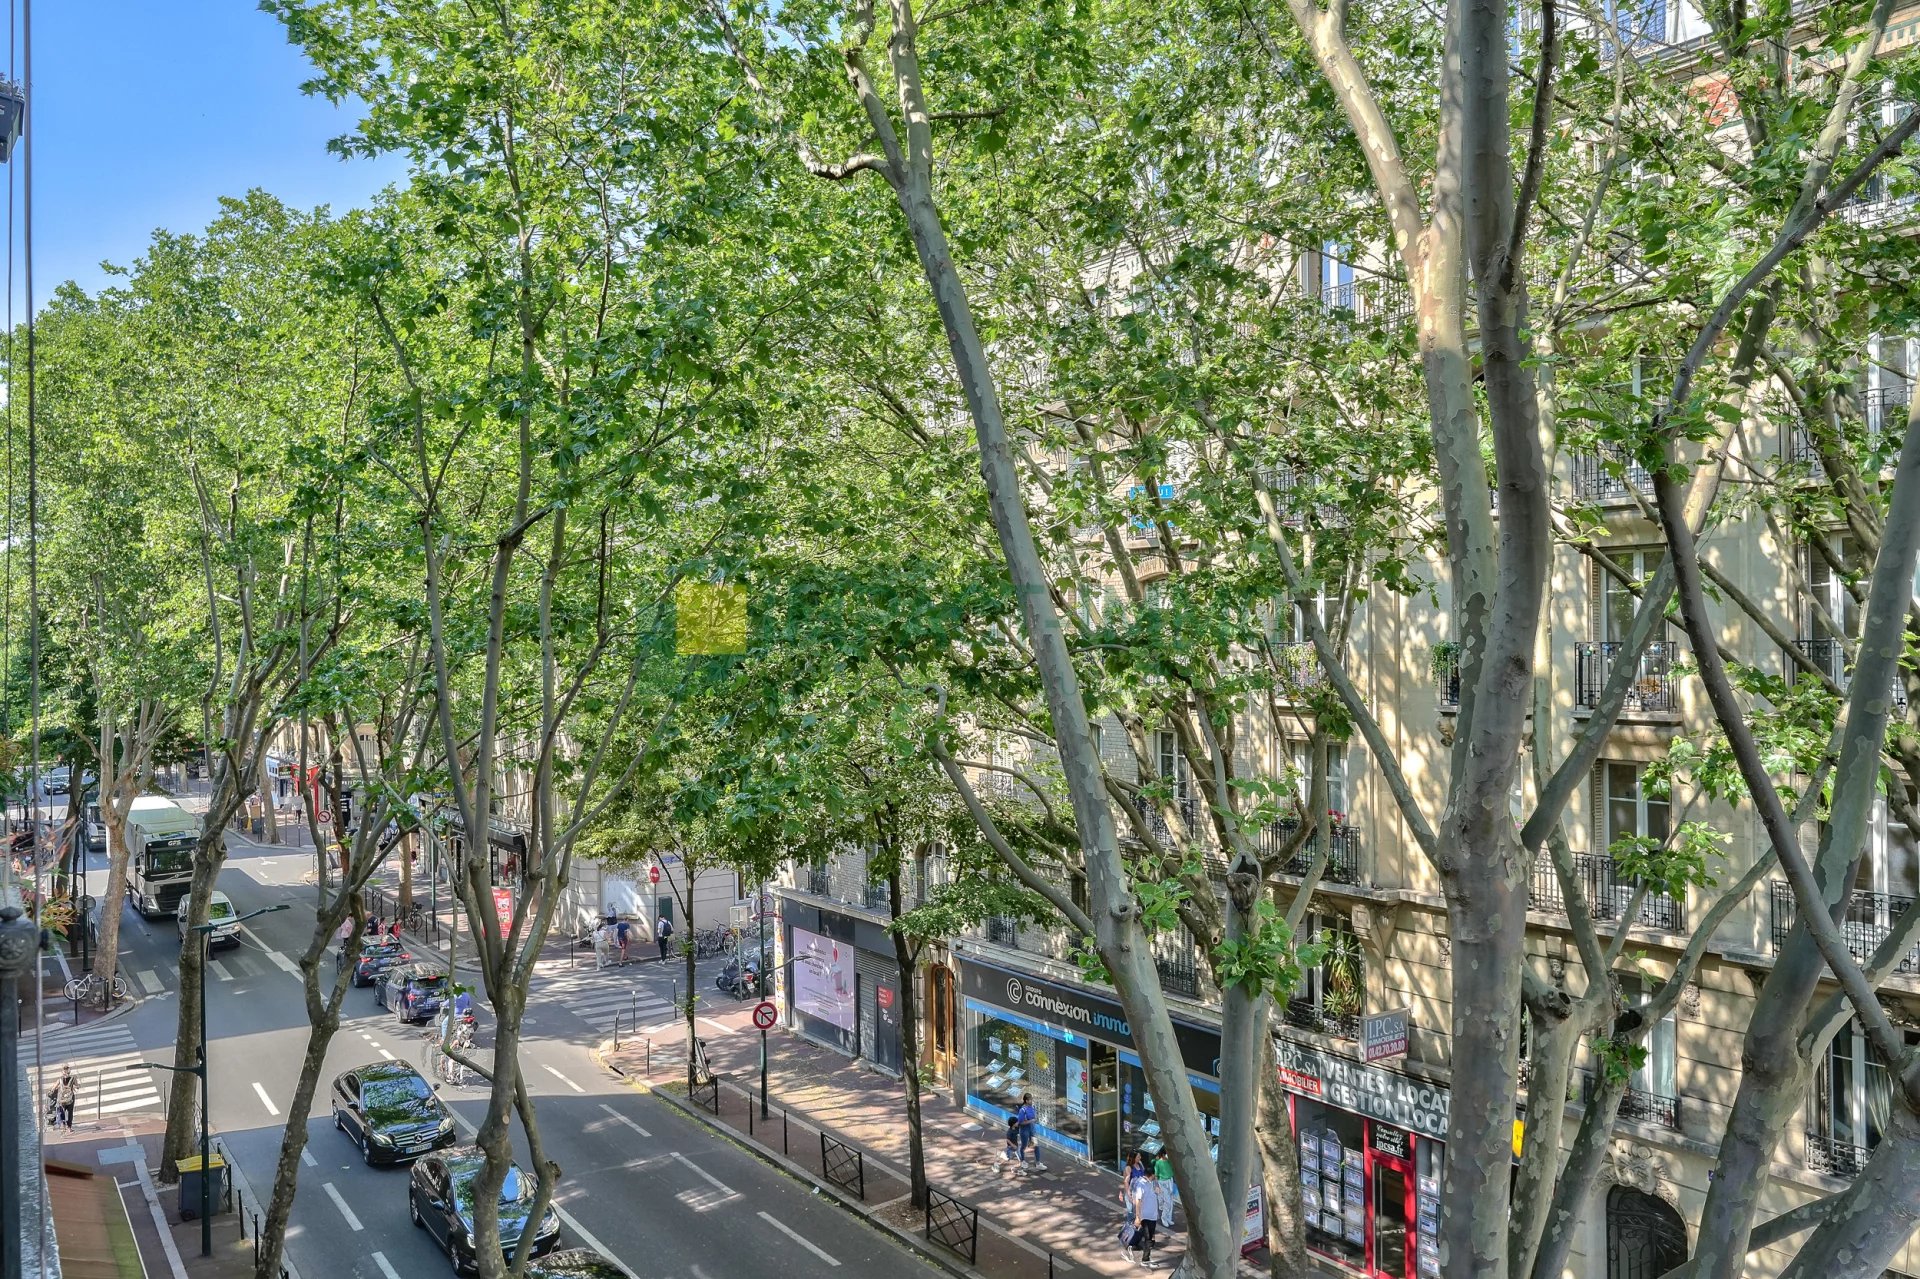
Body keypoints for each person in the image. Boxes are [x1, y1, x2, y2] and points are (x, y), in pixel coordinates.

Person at [1128, 1162, 1161, 1267]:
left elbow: (1159, 1192)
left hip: (1153, 1215)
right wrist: (1138, 1216)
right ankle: (1145, 1259)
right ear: (1151, 1175)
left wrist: (1155, 1183)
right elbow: (1138, 1201)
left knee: (1147, 1236)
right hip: (1145, 1216)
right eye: (1154, 1175)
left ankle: (1132, 1244)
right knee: (1148, 1238)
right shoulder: (1141, 1184)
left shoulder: (1152, 1183)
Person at [1015, 1093, 1041, 1169]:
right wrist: (1031, 1121)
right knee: (1024, 1146)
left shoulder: (1032, 1107)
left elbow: (1034, 1117)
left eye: (1032, 1099)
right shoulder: (1022, 1110)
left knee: (1036, 1145)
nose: (1032, 1101)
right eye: (1030, 1100)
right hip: (1024, 1130)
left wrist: (1034, 1120)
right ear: (1026, 1100)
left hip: (1032, 1130)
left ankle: (1038, 1163)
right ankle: (1022, 1160)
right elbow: (1021, 1122)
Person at [49, 1066, 76, 1132]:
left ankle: (65, 1126)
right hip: (69, 1098)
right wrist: (75, 1087)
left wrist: (51, 1091)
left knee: (63, 1112)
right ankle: (68, 1127)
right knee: (69, 1112)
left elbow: (54, 1087)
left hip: (64, 1099)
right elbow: (77, 1086)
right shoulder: (72, 1078)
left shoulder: (60, 1079)